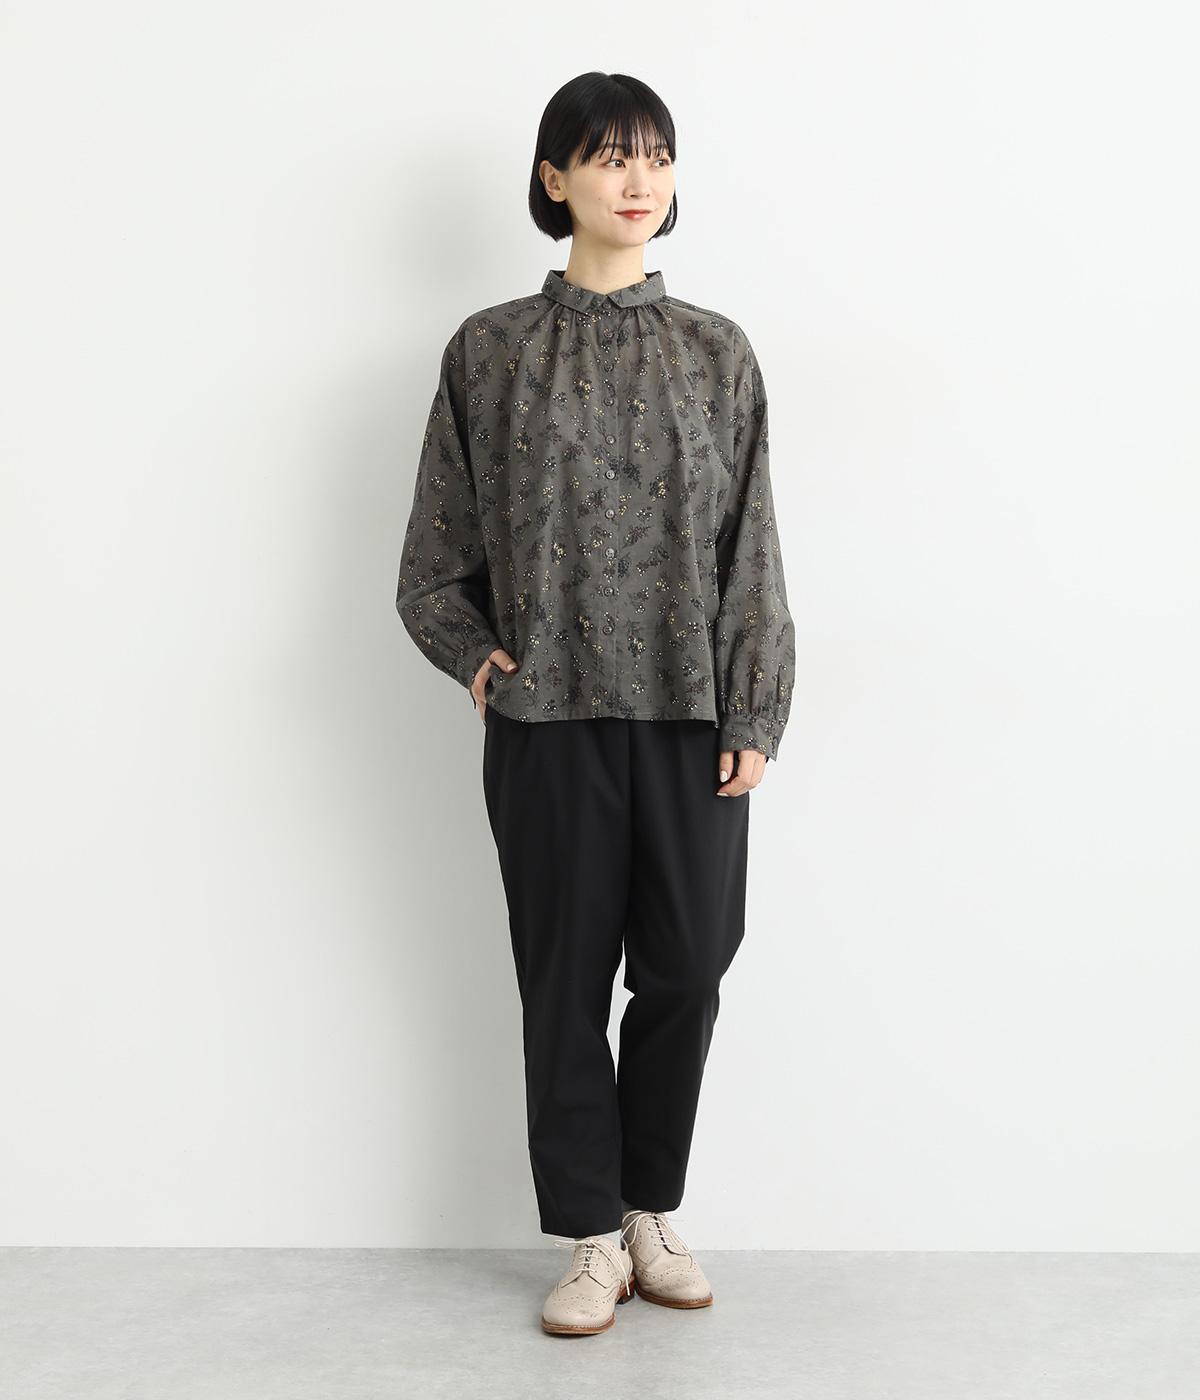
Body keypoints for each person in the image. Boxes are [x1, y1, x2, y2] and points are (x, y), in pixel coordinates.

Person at [395, 71, 796, 1337]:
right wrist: (476, 657)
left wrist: (754, 709)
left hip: (691, 718)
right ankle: (590, 1235)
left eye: (657, 156)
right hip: (549, 722)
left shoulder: (718, 352)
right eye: (611, 155)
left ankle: (649, 1206)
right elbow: (432, 562)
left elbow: (752, 551)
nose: (639, 179)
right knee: (563, 978)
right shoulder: (491, 350)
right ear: (554, 176)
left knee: (690, 964)